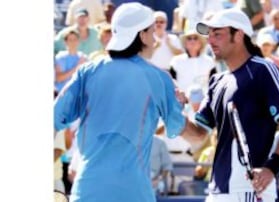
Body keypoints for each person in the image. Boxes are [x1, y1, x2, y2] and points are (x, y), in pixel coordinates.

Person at [54, 3, 206, 202]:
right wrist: (204, 125)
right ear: (142, 35)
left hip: (87, 191)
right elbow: (195, 138)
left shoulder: (86, 72)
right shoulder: (159, 79)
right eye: (152, 32)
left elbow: (53, 120)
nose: (154, 40)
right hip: (133, 194)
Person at [192, 8, 279, 201]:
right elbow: (198, 133)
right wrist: (172, 113)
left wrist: (271, 168)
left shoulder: (263, 69)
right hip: (217, 191)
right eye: (209, 35)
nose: (210, 40)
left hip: (251, 190)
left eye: (217, 34)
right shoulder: (216, 81)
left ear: (239, 35)